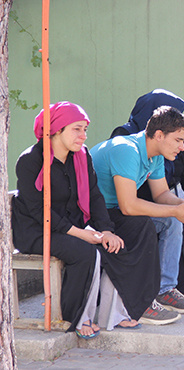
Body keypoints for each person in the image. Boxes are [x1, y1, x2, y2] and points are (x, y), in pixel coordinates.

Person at [12, 102, 160, 338]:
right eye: (77, 129)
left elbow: (93, 196)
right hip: (36, 230)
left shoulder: (81, 157)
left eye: (85, 130)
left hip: (72, 225)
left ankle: (117, 313)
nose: (83, 135)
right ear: (57, 129)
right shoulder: (31, 161)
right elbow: (38, 209)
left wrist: (107, 229)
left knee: (136, 228)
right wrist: (82, 233)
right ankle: (78, 316)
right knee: (86, 251)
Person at [91, 105, 184, 323]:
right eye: (178, 140)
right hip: (94, 215)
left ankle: (164, 289)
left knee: (172, 220)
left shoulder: (156, 154)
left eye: (183, 141)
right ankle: (142, 302)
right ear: (159, 135)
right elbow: (128, 207)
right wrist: (175, 210)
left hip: (114, 210)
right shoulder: (127, 149)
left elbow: (161, 193)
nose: (182, 148)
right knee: (145, 224)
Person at [110, 89, 184, 299]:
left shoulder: (173, 141)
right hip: (134, 200)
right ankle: (157, 290)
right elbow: (128, 191)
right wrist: (173, 208)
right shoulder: (126, 139)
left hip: (163, 195)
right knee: (171, 219)